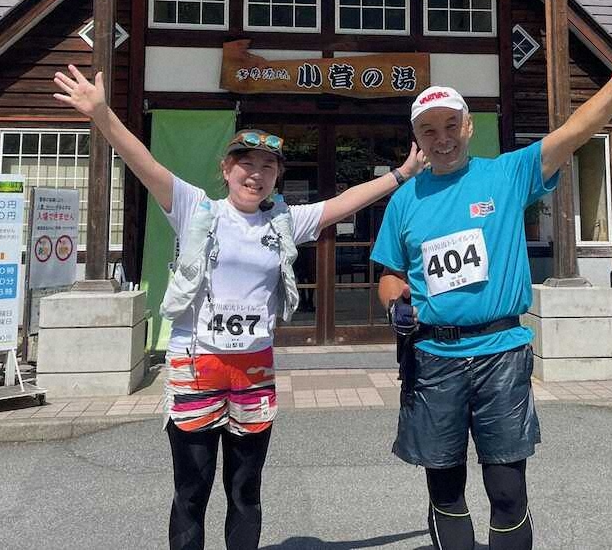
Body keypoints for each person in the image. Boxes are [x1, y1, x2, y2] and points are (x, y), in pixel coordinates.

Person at [53, 64, 426, 550]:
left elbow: (346, 202)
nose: (256, 173)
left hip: (253, 369)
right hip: (195, 364)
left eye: (267, 166)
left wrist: (400, 173)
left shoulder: (285, 221)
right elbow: (141, 160)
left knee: (246, 491)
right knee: (191, 489)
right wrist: (102, 116)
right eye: (245, 163)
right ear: (226, 170)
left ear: (277, 176)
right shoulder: (196, 208)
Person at [373, 27, 612, 550]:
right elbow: (390, 273)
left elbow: (574, 132)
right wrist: (396, 304)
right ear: (416, 138)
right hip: (432, 356)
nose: (441, 139)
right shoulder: (405, 200)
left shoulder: (506, 174)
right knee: (444, 488)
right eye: (428, 131)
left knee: (506, 489)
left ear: (468, 126)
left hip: (500, 353)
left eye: (449, 126)